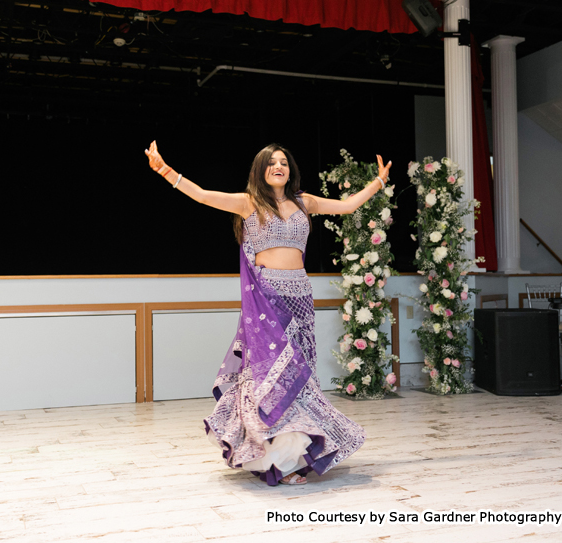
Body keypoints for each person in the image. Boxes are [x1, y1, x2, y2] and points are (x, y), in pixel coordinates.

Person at [145, 141, 391, 486]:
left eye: (284, 162)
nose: (279, 166)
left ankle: (294, 458)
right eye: (272, 162)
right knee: (271, 378)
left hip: (301, 297)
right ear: (261, 170)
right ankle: (274, 461)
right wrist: (165, 170)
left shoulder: (305, 203)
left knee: (298, 378)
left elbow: (348, 206)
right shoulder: (249, 203)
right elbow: (201, 195)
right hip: (267, 299)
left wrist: (378, 182)